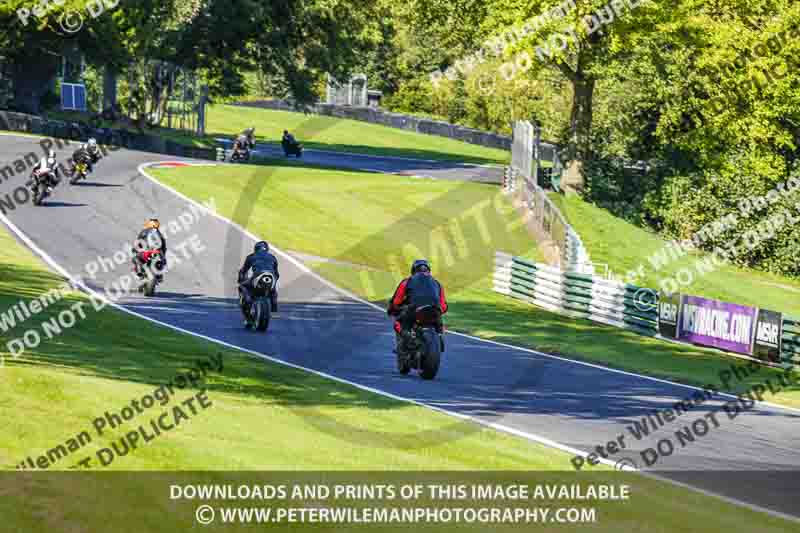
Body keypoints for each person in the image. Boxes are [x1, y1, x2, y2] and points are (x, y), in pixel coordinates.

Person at [387, 259, 448, 353]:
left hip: (414, 310)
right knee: (439, 323)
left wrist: (392, 309)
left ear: (413, 270)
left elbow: (396, 301)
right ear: (428, 270)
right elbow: (443, 305)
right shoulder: (437, 283)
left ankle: (408, 340)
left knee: (398, 323)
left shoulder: (407, 281)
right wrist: (440, 310)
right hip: (435, 311)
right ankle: (440, 336)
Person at [238, 241, 280, 321]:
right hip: (271, 277)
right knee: (273, 290)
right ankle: (274, 309)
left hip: (257, 275)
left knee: (242, 286)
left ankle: (248, 301)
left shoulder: (251, 256)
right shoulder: (272, 257)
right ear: (267, 249)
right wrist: (274, 282)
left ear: (256, 249)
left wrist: (241, 280)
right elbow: (277, 274)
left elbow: (243, 271)